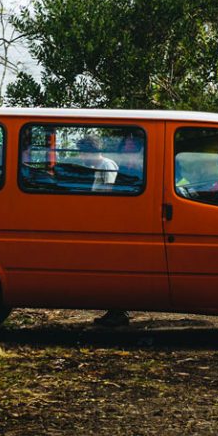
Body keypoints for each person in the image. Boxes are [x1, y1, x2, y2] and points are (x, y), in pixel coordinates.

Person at [77, 135, 130, 327]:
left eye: (83, 153)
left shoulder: (107, 165)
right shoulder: (99, 167)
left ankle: (118, 312)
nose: (82, 157)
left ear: (91, 152)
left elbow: (107, 194)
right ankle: (115, 311)